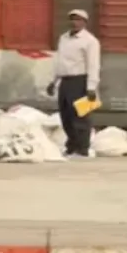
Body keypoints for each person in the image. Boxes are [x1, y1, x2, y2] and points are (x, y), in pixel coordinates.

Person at [46, 9, 101, 158]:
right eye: (72, 19)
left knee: (80, 117)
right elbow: (59, 62)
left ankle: (82, 149)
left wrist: (91, 87)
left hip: (80, 81)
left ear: (84, 22)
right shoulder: (64, 38)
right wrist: (53, 81)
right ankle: (71, 146)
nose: (75, 22)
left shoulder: (90, 41)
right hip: (65, 81)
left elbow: (93, 65)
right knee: (66, 116)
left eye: (78, 20)